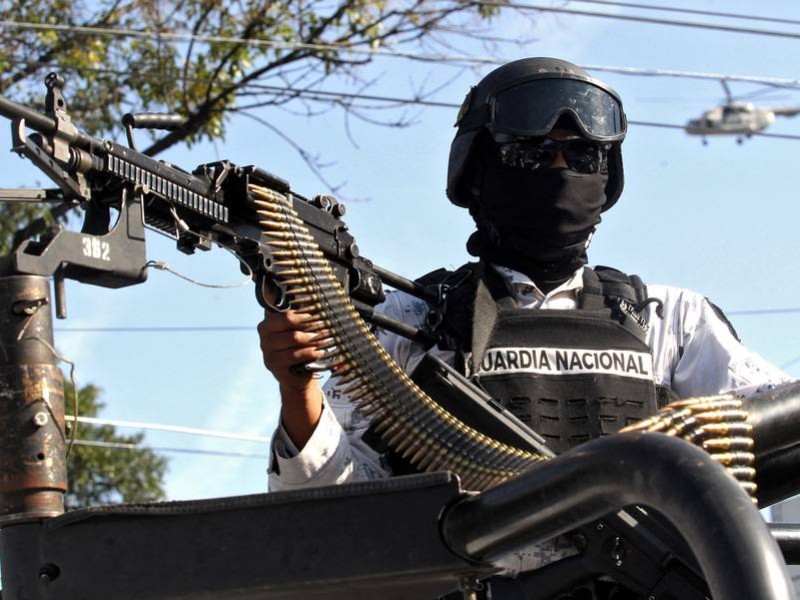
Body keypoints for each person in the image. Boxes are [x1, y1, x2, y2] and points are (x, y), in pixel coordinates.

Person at [258, 57, 791, 597]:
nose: (559, 166)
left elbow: (777, 435)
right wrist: (297, 389)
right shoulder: (411, 321)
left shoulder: (670, 320)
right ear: (479, 168)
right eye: (531, 152)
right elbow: (330, 511)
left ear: (607, 177)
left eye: (583, 154)